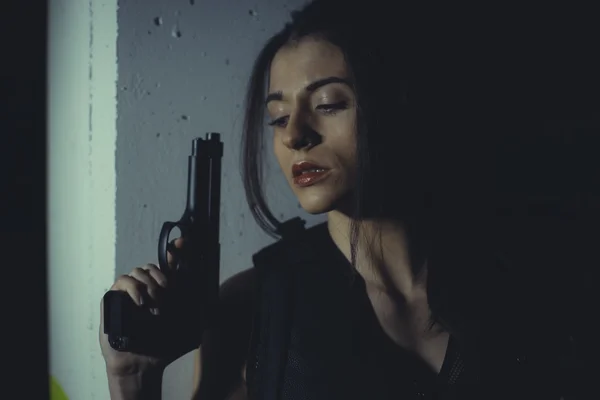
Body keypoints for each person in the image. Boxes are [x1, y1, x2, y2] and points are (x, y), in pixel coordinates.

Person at [100, 0, 590, 399]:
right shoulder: (254, 308)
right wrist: (132, 380)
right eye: (277, 117)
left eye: (328, 104)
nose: (294, 135)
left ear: (396, 103)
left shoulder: (523, 273)